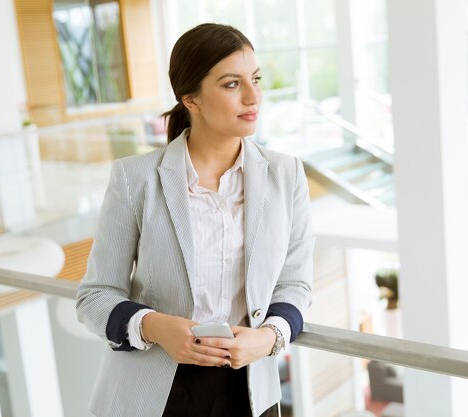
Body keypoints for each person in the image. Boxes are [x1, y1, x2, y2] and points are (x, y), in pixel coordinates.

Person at [76, 23, 314, 417]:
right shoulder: (135, 179)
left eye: (254, 79)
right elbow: (95, 296)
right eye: (231, 84)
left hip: (251, 391)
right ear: (191, 97)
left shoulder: (286, 175)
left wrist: (270, 337)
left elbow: (295, 283)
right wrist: (154, 326)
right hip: (154, 394)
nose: (254, 96)